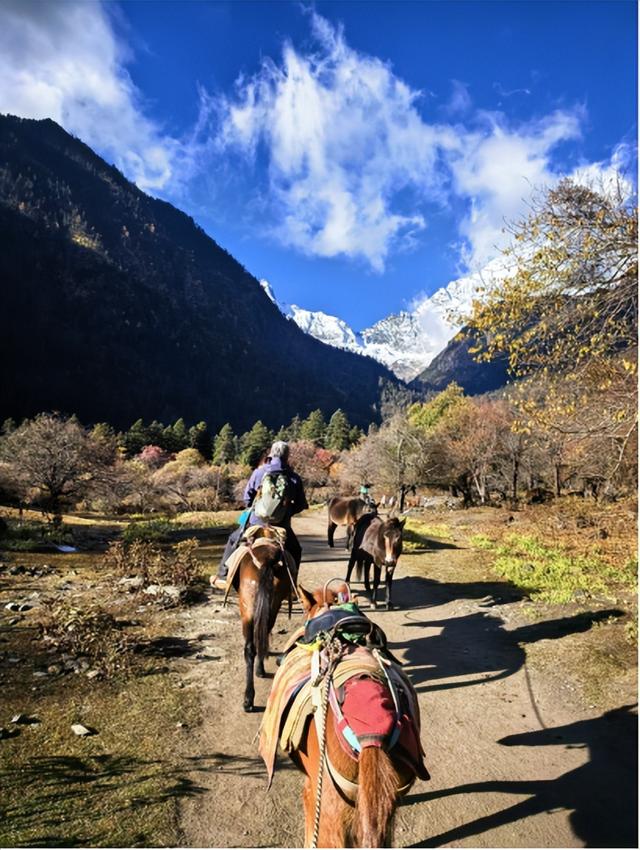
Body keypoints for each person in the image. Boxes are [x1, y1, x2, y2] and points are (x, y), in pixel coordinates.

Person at [211, 441, 308, 589]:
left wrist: (256, 508)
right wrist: (286, 513)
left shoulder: (259, 472)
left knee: (233, 540)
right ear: (287, 456)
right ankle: (292, 585)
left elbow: (247, 498)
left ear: (271, 454)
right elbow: (301, 504)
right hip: (281, 525)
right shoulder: (294, 477)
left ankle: (224, 576)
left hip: (256, 523)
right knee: (295, 549)